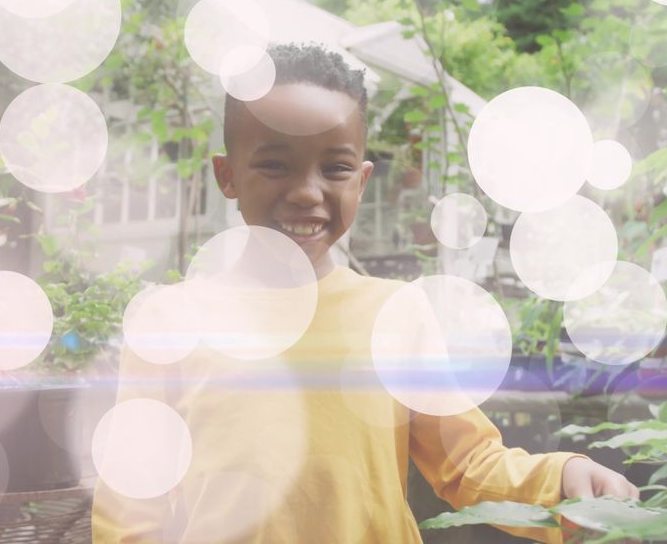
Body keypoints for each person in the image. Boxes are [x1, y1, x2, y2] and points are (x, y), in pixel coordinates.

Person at [92, 43, 638, 544]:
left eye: (335, 168)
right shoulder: (168, 320)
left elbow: (469, 465)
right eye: (275, 164)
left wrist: (561, 478)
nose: (307, 192)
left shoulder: (394, 314)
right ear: (227, 174)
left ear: (363, 180)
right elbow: (131, 506)